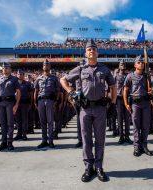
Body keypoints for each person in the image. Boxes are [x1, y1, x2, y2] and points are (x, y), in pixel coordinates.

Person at [60, 39, 116, 182]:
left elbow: (113, 86)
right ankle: (88, 167)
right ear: (86, 53)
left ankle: (98, 167)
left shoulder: (104, 69)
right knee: (86, 139)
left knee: (100, 139)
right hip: (85, 108)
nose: (91, 51)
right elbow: (63, 80)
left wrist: (113, 102)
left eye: (94, 49)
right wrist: (71, 92)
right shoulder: (80, 69)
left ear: (97, 52)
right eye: (89, 49)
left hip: (100, 108)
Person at [123, 55, 153, 157]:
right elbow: (125, 90)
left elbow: (150, 90)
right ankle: (136, 147)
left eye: (142, 62)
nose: (141, 64)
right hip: (135, 104)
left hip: (145, 103)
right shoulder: (130, 76)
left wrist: (151, 91)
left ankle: (144, 146)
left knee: (145, 125)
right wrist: (126, 103)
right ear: (135, 64)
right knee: (136, 126)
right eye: (139, 62)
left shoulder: (147, 76)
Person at [34, 60, 61, 149]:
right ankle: (44, 140)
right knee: (42, 122)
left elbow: (58, 91)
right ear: (42, 67)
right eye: (44, 65)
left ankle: (51, 141)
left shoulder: (54, 78)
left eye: (47, 65)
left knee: (50, 121)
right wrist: (35, 102)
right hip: (40, 101)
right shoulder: (38, 78)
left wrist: (55, 101)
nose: (46, 66)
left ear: (50, 67)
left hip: (50, 101)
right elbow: (36, 91)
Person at [0, 62, 21, 151]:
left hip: (10, 103)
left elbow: (18, 92)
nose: (4, 69)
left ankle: (10, 142)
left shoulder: (14, 79)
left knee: (10, 123)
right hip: (0, 103)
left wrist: (16, 104)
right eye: (3, 68)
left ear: (10, 69)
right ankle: (3, 142)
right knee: (3, 123)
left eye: (6, 68)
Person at [114, 61, 132, 144]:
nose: (123, 66)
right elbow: (113, 88)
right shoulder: (116, 76)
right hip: (119, 99)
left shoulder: (128, 76)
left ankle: (127, 136)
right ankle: (121, 136)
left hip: (127, 98)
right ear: (119, 66)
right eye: (121, 64)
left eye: (124, 64)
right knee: (120, 118)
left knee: (127, 119)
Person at [14, 69, 33, 141]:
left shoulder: (27, 83)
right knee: (18, 120)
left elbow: (31, 94)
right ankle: (19, 134)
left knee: (24, 119)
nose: (20, 75)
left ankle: (24, 134)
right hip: (16, 104)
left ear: (23, 75)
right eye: (18, 74)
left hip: (25, 103)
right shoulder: (14, 83)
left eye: (21, 74)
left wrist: (31, 103)